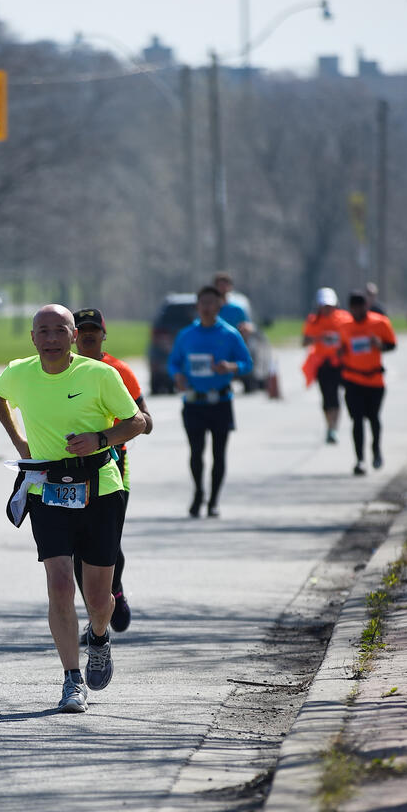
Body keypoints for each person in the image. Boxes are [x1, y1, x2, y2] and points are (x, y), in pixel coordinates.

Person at [0, 304, 146, 714]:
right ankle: (72, 681)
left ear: (74, 336)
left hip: (100, 489)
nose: (52, 338)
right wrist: (20, 444)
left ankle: (98, 638)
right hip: (47, 491)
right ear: (33, 337)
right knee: (59, 583)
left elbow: (138, 421)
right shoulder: (20, 373)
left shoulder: (100, 375)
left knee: (98, 597)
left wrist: (101, 438)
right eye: (44, 331)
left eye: (60, 330)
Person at [72, 307, 153, 636]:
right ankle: (95, 612)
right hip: (69, 470)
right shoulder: (61, 370)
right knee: (77, 546)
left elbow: (146, 421)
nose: (88, 333)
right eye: (82, 328)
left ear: (104, 334)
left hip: (112, 467)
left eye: (94, 328)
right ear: (73, 335)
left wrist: (112, 432)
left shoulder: (118, 371)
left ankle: (113, 592)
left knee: (107, 543)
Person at [168, 285, 253, 518]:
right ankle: (198, 493)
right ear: (197, 306)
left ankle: (214, 500)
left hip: (220, 401)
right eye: (203, 303)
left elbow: (247, 363)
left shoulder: (229, 334)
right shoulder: (186, 335)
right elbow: (173, 362)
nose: (206, 308)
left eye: (211, 303)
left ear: (219, 306)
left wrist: (231, 366)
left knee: (219, 453)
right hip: (194, 402)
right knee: (196, 453)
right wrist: (177, 375)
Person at [338, 290, 397, 476]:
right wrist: (340, 352)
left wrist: (380, 345)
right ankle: (360, 460)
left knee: (373, 418)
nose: (357, 312)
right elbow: (341, 347)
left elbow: (392, 344)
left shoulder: (379, 323)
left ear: (366, 306)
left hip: (374, 380)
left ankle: (376, 450)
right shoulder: (344, 326)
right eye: (353, 308)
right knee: (356, 420)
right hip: (353, 379)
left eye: (360, 307)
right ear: (350, 309)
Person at [302, 288, 352, 444]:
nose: (327, 309)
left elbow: (351, 339)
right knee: (326, 397)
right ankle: (329, 425)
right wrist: (318, 337)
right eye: (324, 306)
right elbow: (304, 341)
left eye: (329, 306)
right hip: (322, 364)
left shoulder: (344, 319)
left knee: (337, 396)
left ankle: (334, 428)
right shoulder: (313, 321)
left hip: (340, 363)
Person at [213, 271, 255, 337]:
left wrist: (246, 329)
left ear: (230, 287)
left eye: (225, 285)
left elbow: (248, 326)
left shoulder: (237, 309)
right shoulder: (210, 310)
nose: (223, 288)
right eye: (220, 285)